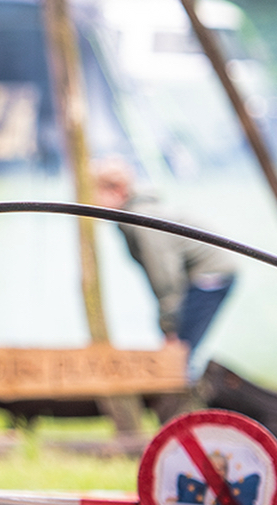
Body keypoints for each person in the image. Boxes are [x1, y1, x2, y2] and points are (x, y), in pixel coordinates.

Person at [90, 158, 237, 374]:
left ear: (117, 190)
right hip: (201, 275)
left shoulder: (143, 220)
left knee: (180, 349)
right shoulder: (132, 217)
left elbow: (164, 275)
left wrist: (169, 324)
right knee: (180, 348)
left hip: (210, 275)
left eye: (94, 193)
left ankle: (186, 393)